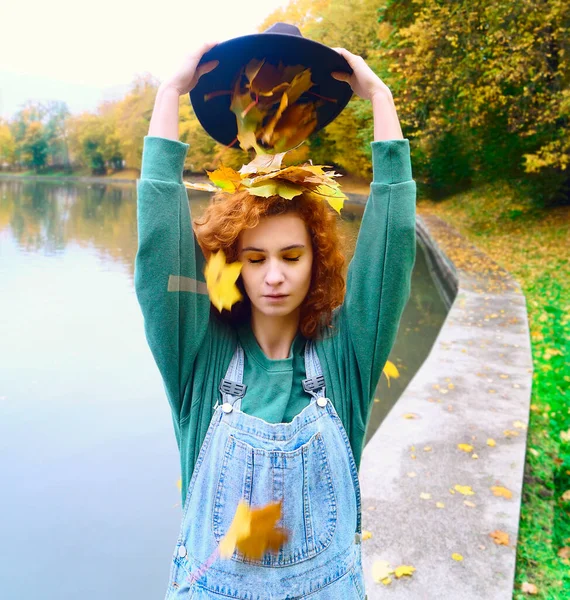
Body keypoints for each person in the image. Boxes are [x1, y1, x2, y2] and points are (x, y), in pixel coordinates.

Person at [135, 34, 416, 600]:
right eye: (254, 258)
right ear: (231, 264)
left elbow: (391, 245)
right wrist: (169, 93)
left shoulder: (347, 355)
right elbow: (161, 247)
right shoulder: (200, 356)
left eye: (292, 257)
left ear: (318, 261)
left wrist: (380, 99)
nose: (273, 276)